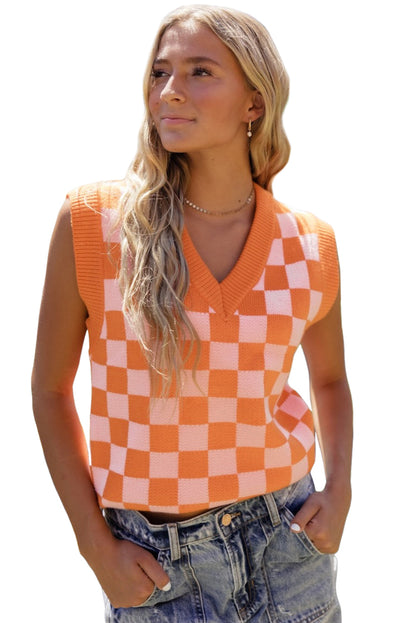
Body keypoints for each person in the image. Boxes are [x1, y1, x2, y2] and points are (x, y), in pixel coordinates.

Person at [32, 5, 353, 622]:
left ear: (254, 103)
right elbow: (48, 390)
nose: (170, 90)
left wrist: (339, 490)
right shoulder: (93, 224)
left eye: (200, 71)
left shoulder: (310, 243)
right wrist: (93, 546)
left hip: (288, 547)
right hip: (154, 567)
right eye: (160, 72)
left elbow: (331, 380)